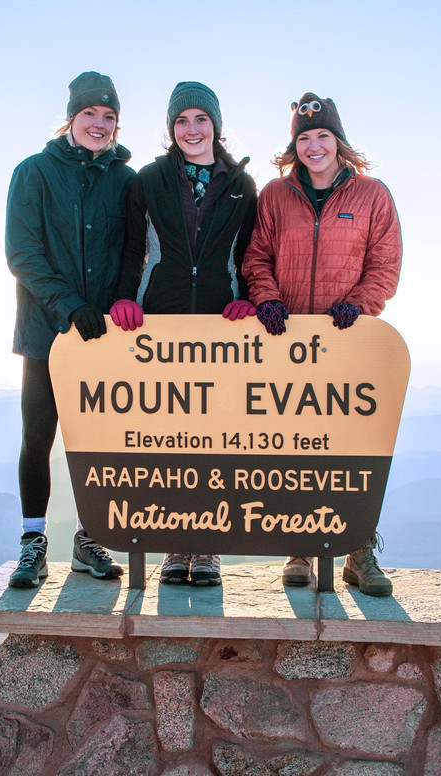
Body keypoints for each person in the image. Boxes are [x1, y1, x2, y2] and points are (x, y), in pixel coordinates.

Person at [242, 92, 402, 596]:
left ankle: (359, 553)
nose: (314, 146)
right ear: (294, 145)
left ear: (339, 141)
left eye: (322, 136)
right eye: (304, 137)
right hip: (287, 342)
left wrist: (358, 305)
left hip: (348, 341)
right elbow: (256, 256)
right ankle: (299, 550)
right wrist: (266, 300)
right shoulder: (274, 195)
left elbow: (385, 266)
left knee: (355, 451)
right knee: (293, 447)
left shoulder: (372, 195)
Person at [108, 81, 258, 587]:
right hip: (161, 319)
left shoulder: (242, 183)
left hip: (223, 322)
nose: (191, 130)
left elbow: (250, 254)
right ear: (171, 129)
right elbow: (133, 248)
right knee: (170, 436)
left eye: (200, 119)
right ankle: (175, 546)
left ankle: (208, 549)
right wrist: (127, 297)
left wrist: (250, 299)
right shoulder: (148, 179)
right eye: (181, 121)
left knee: (219, 436)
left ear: (215, 124)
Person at [4, 71, 135, 588]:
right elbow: (22, 253)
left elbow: (132, 253)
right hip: (45, 333)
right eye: (90, 115)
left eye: (109, 118)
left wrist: (114, 306)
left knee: (99, 442)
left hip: (103, 338)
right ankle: (32, 544)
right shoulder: (33, 172)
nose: (99, 125)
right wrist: (70, 306)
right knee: (38, 436)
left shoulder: (126, 181)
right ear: (71, 119)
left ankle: (89, 539)